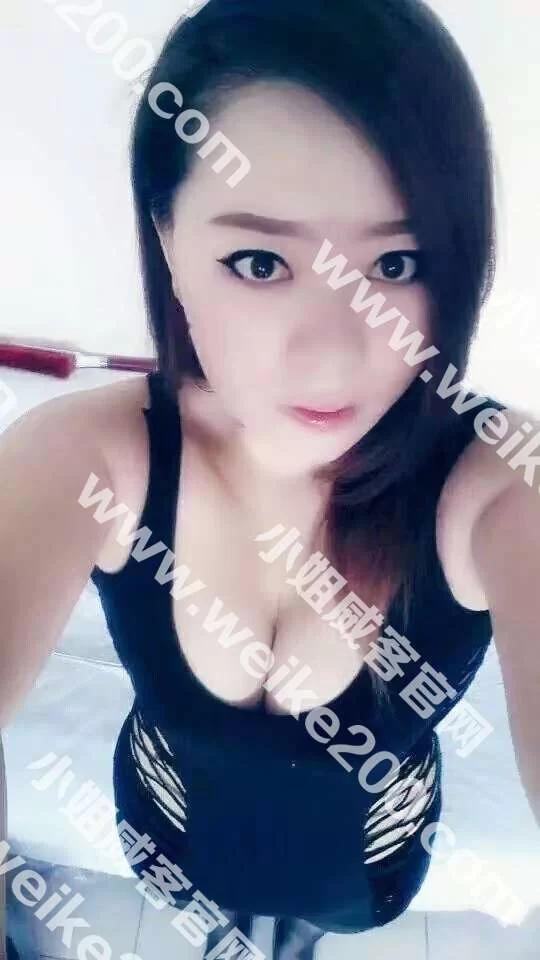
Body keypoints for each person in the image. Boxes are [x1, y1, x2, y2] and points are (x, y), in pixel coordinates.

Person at [1, 1, 539, 957]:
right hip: (166, 830)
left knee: (308, 932)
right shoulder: (84, 457)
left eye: (397, 262)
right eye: (258, 262)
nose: (330, 357)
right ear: (169, 243)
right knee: (206, 915)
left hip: (364, 868)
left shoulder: (500, 485)